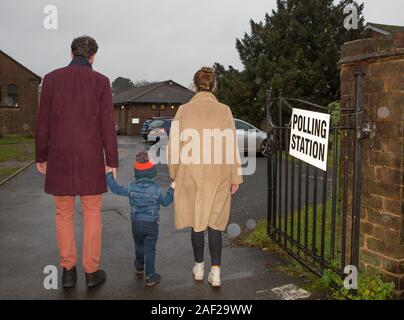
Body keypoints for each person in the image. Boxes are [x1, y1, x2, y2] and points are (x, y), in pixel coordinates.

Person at [35, 35, 118, 288]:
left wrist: (41, 156)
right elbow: (107, 124)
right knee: (92, 213)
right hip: (90, 159)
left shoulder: (50, 79)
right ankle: (91, 272)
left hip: (59, 158)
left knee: (63, 214)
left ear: (71, 53)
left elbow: (43, 123)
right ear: (93, 56)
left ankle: (68, 271)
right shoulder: (101, 82)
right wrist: (111, 160)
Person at [167, 67, 243, 287]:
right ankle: (216, 272)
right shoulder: (225, 110)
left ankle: (199, 267)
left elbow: (174, 145)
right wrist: (235, 176)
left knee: (197, 221)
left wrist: (174, 173)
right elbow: (231, 144)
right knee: (215, 223)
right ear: (214, 85)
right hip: (218, 173)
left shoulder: (183, 110)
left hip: (191, 173)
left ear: (194, 85)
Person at [106, 149, 174, 287]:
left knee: (139, 245)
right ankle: (150, 275)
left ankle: (139, 266)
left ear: (136, 173)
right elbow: (166, 202)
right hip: (151, 224)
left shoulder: (132, 187)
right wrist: (172, 189)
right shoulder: (156, 189)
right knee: (150, 249)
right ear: (152, 173)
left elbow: (116, 189)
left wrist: (108, 174)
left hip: (136, 223)